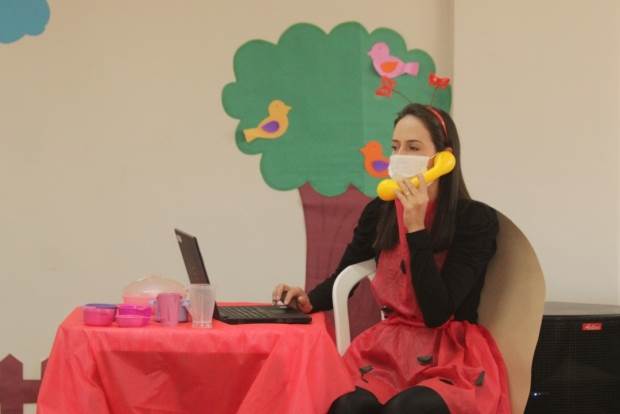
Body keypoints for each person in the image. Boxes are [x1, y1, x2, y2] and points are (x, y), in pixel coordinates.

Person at [272, 103, 511, 414]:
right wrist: (308, 300)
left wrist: (416, 229)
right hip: (390, 348)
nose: (401, 157)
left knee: (406, 408)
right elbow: (345, 271)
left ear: (444, 158)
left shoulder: (475, 220)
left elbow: (436, 313)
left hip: (450, 353)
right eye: (396, 148)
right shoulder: (379, 212)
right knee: (348, 404)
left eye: (414, 147)